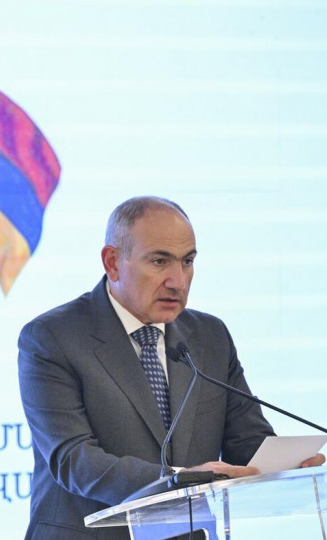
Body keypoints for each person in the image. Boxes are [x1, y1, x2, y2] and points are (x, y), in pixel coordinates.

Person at [17, 196, 324, 540]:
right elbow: (74, 460)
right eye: (159, 261)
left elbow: (245, 441)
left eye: (187, 261)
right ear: (113, 262)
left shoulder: (209, 336)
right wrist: (181, 480)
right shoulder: (53, 337)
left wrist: (290, 468)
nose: (178, 281)